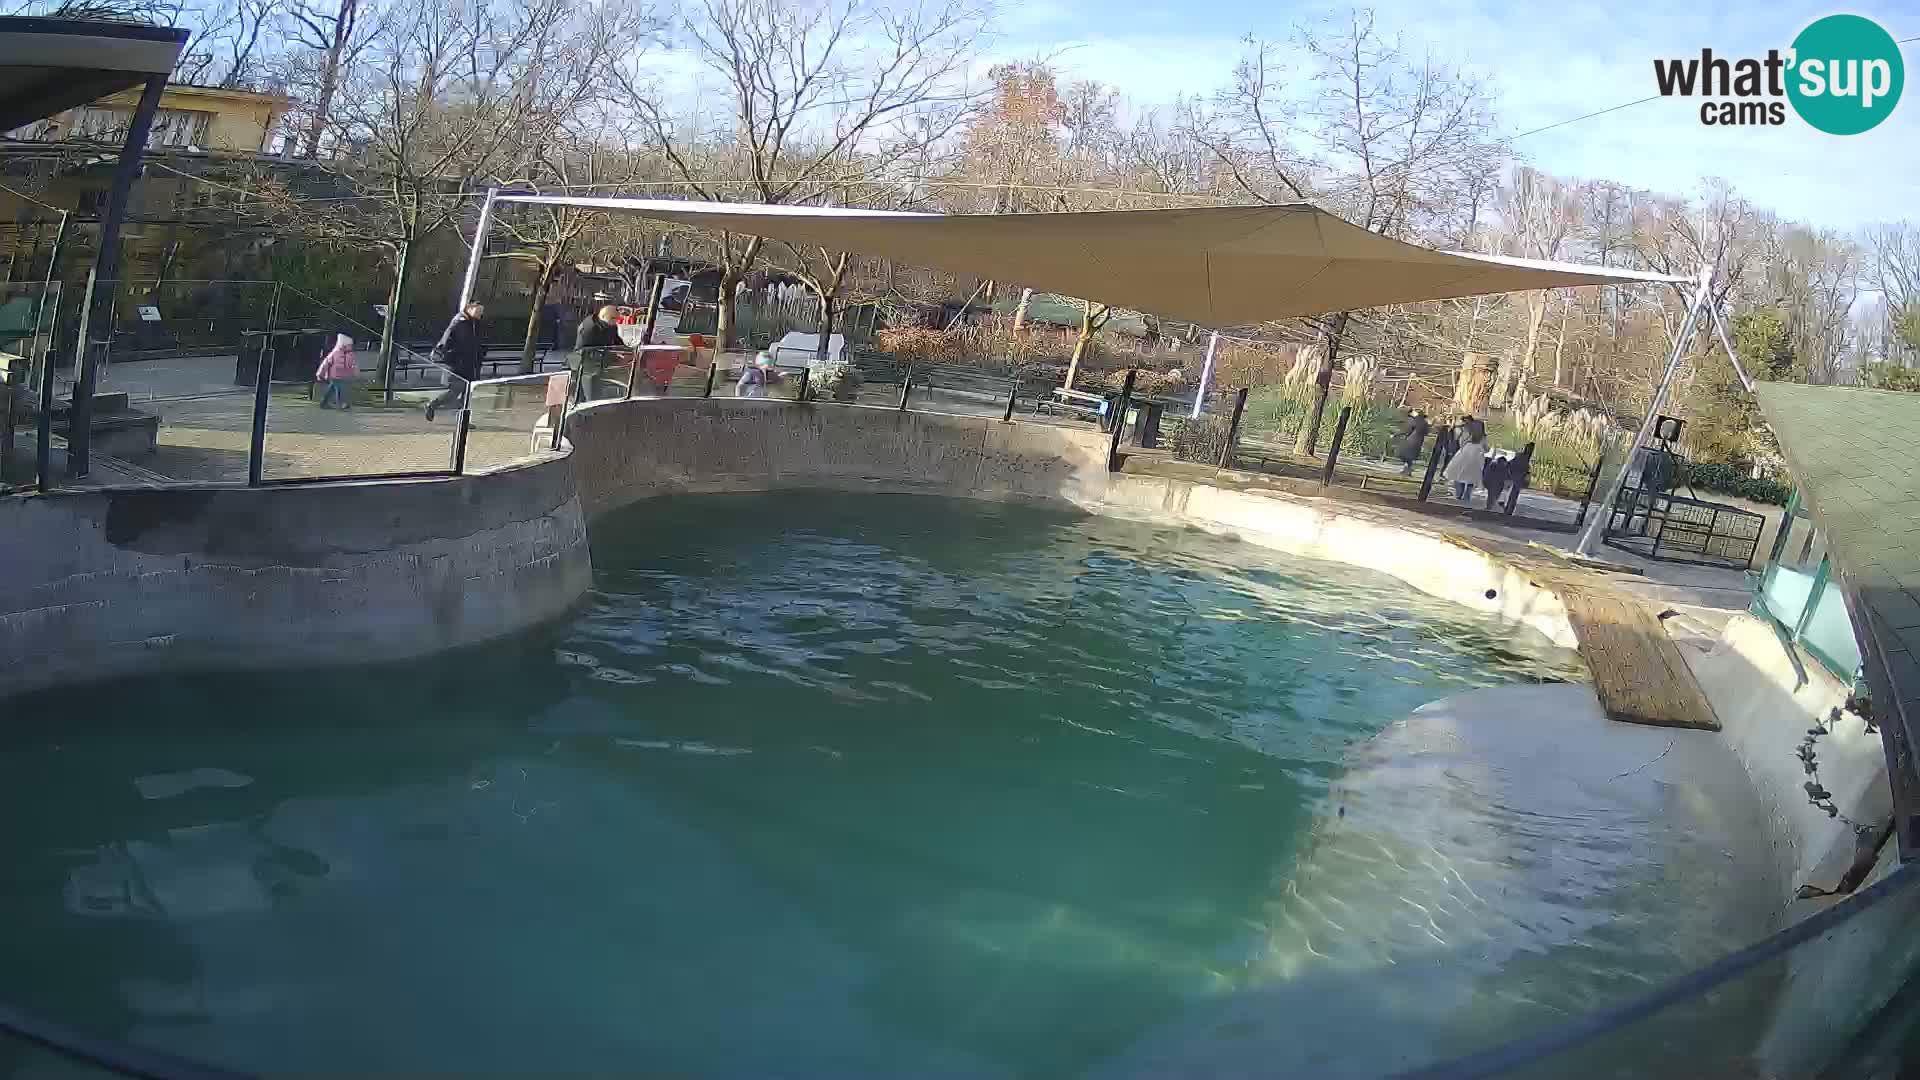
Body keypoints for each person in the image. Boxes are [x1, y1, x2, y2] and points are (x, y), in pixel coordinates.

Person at [424, 301, 485, 422]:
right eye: (478, 311)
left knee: (467, 394)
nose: (480, 314)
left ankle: (462, 420)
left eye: (481, 312)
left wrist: (480, 353)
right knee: (456, 390)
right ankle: (432, 405)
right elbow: (452, 341)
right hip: (458, 364)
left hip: (469, 364)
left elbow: (474, 343)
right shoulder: (460, 322)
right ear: (470, 309)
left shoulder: (473, 323)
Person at [573, 304, 623, 403]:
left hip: (602, 365)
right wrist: (612, 356)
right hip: (587, 368)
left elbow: (617, 340)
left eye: (617, 319)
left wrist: (625, 350)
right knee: (589, 396)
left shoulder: (610, 325)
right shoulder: (588, 328)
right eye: (613, 319)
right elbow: (582, 351)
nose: (616, 322)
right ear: (604, 317)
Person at [1443, 427, 1487, 502]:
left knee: (1460, 479)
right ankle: (1466, 496)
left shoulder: (1467, 445)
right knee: (1470, 482)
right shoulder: (1479, 448)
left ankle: (1459, 495)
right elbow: (1480, 459)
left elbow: (1459, 456)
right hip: (1472, 469)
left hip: (1462, 467)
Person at [314, 333, 357, 410]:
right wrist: (320, 374)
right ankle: (340, 404)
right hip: (334, 375)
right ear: (343, 345)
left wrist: (354, 372)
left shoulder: (351, 354)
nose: (350, 346)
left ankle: (324, 402)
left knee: (332, 388)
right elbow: (325, 363)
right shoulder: (335, 353)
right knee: (339, 388)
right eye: (349, 345)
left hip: (342, 375)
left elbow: (353, 365)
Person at [1394, 409, 1430, 475]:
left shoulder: (1414, 420)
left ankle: (1407, 469)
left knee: (1402, 453)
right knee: (1410, 456)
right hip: (1419, 442)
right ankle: (1408, 469)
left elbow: (1407, 430)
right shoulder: (1425, 423)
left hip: (1411, 440)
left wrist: (1396, 434)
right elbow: (1426, 433)